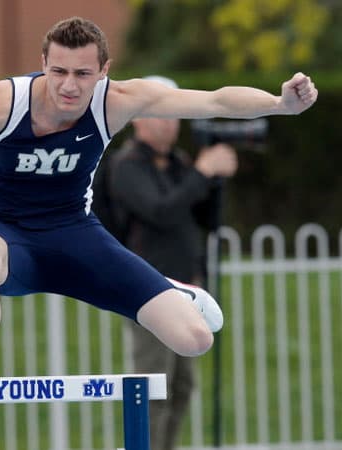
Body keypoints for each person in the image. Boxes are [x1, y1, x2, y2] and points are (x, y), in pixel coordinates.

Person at [0, 17, 317, 404]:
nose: (70, 87)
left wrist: (279, 104)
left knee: (196, 339)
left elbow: (213, 101)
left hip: (77, 237)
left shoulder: (117, 101)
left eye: (82, 74)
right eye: (58, 72)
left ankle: (178, 291)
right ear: (42, 63)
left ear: (104, 71)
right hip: (10, 239)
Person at [104, 75, 238, 450]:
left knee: (182, 385)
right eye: (160, 113)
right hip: (148, 291)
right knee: (153, 383)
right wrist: (202, 174)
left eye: (173, 114)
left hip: (187, 290)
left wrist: (214, 181)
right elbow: (159, 211)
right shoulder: (127, 165)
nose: (169, 122)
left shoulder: (179, 163)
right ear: (139, 118)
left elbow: (205, 219)